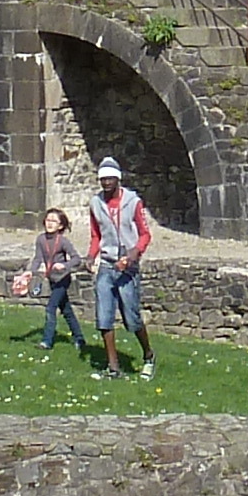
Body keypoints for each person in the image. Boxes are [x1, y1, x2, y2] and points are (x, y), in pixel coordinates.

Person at [85, 158, 157, 380]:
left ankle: (148, 355)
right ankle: (113, 367)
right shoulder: (95, 204)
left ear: (118, 179)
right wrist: (91, 255)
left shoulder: (133, 202)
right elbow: (96, 234)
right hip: (107, 264)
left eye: (109, 179)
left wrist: (134, 254)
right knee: (104, 316)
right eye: (102, 179)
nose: (106, 183)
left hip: (128, 267)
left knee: (132, 317)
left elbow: (145, 234)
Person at [14, 207, 82, 355]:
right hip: (52, 279)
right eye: (48, 220)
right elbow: (38, 258)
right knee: (67, 311)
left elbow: (77, 259)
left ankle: (47, 341)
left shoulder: (63, 241)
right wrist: (30, 272)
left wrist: (64, 265)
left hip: (63, 279)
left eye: (54, 221)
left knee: (51, 308)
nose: (49, 223)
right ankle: (79, 338)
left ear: (61, 226)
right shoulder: (41, 239)